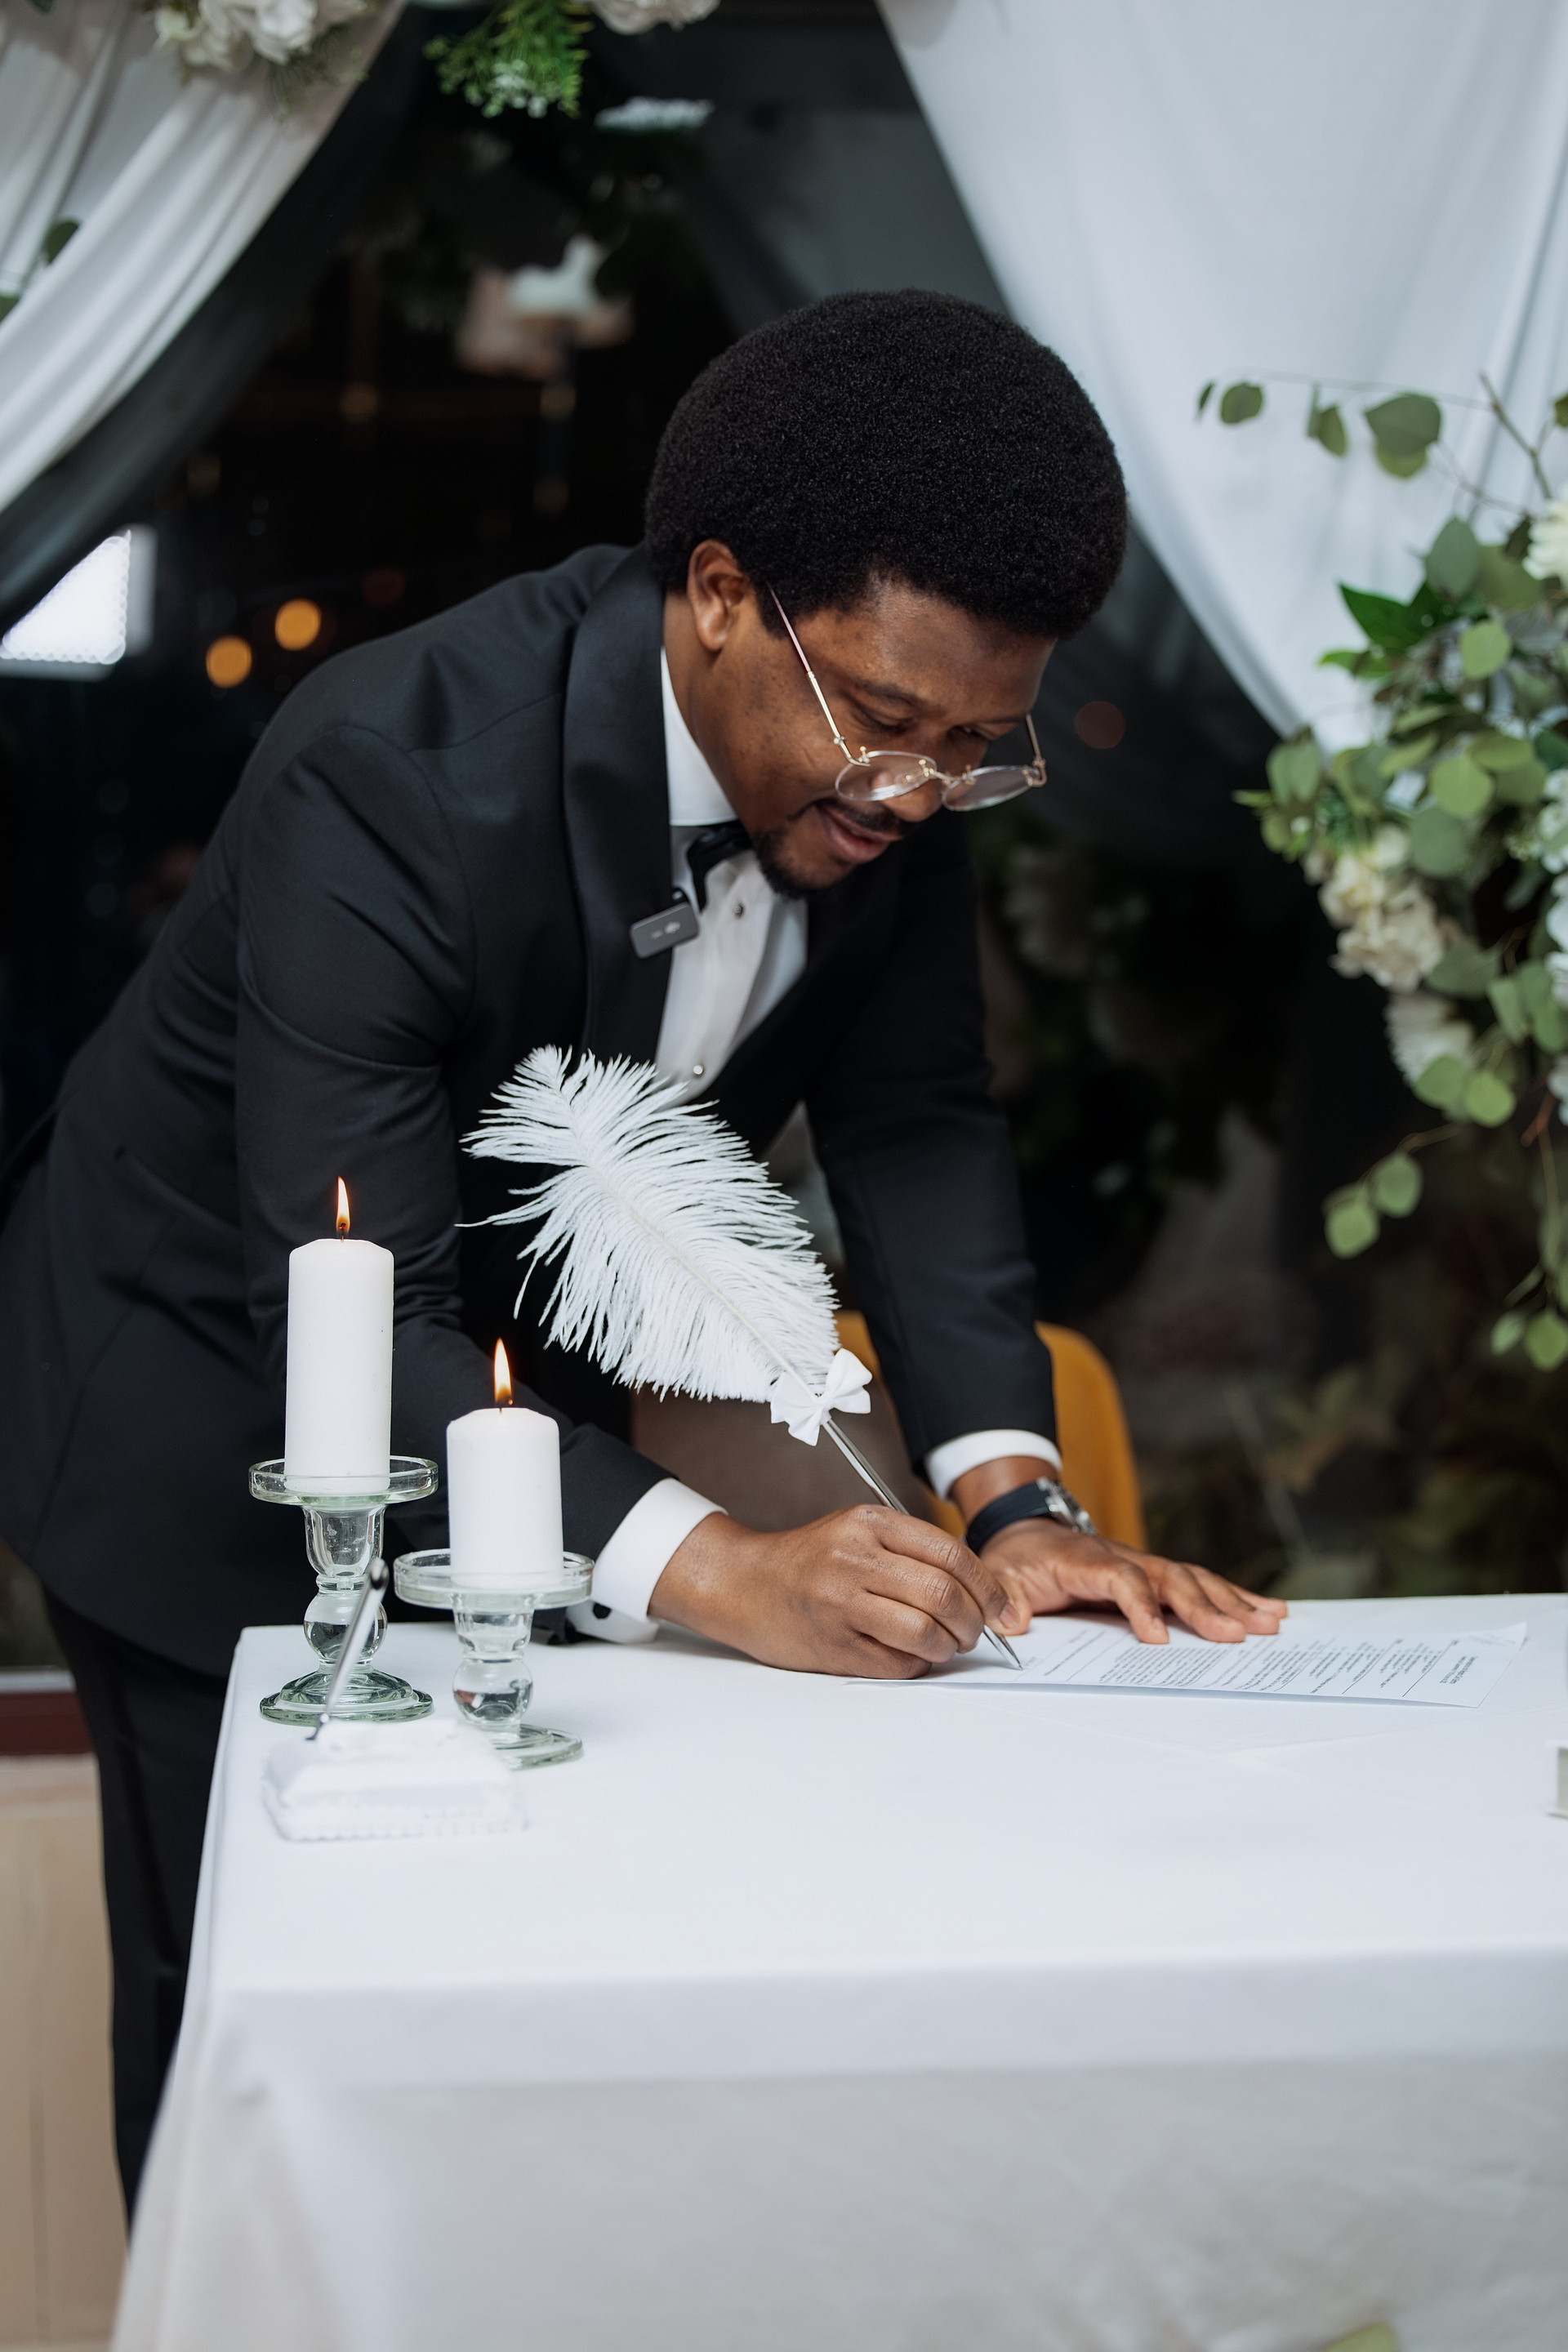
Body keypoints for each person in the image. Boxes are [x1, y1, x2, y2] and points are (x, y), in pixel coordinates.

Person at [0, 290, 1284, 2203]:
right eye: (888, 724)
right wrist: (731, 1567)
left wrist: (1017, 1505)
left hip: (537, 1412)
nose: (920, 790)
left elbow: (920, 1128)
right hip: (207, 1406)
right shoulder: (392, 774)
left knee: (556, 1965)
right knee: (265, 2024)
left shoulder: (889, 775)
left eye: (976, 748)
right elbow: (367, 1309)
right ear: (718, 597)